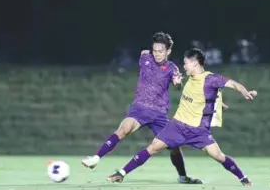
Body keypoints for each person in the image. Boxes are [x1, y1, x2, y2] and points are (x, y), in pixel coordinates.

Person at [106, 48, 257, 186]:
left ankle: (243, 179)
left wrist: (245, 92)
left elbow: (233, 84)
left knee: (218, 156)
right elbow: (202, 97)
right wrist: (178, 84)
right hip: (177, 126)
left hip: (199, 131)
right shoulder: (190, 79)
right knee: (152, 148)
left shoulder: (210, 78)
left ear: (195, 63)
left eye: (186, 63)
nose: (184, 66)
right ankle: (121, 174)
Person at [82, 32, 202, 184]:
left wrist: (178, 83)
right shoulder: (145, 57)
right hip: (139, 109)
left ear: (168, 51)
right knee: (123, 129)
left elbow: (178, 85)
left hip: (159, 114)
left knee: (174, 146)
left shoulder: (172, 68)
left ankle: (183, 177)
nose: (157, 54)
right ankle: (96, 158)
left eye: (161, 51)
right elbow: (144, 52)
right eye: (155, 50)